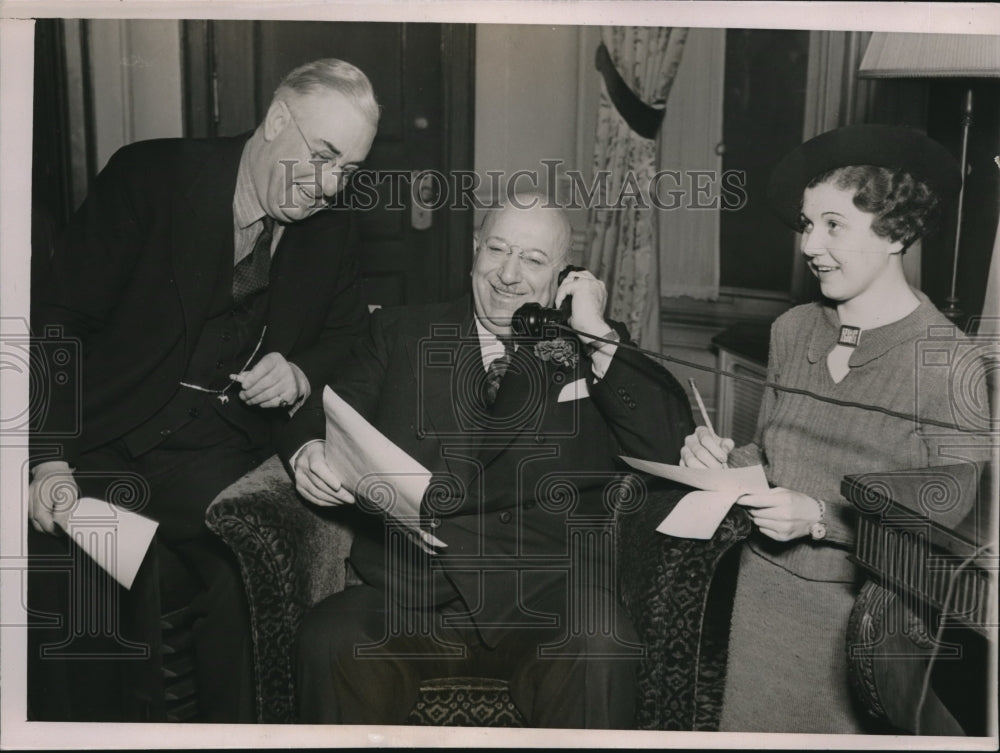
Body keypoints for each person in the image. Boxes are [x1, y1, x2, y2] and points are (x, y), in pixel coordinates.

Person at [27, 58, 378, 722]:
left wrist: (300, 369)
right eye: (324, 156)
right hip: (102, 440)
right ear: (277, 120)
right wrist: (47, 457)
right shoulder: (150, 178)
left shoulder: (331, 231)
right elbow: (59, 320)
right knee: (106, 577)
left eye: (348, 170)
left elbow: (350, 340)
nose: (329, 186)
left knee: (243, 573)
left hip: (215, 450)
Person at [278, 195, 694, 727]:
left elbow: (670, 443)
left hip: (547, 601)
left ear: (565, 276)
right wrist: (309, 449)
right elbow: (316, 412)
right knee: (328, 638)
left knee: (600, 642)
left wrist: (597, 334)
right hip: (411, 598)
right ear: (474, 252)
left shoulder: (589, 347)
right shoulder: (400, 333)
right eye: (497, 250)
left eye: (534, 260)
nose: (509, 276)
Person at [680, 124, 990, 733]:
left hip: (870, 632)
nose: (809, 245)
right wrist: (721, 462)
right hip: (762, 606)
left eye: (832, 225)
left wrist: (823, 519)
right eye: (805, 225)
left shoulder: (947, 362)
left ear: (896, 231)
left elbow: (961, 540)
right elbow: (773, 457)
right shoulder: (793, 331)